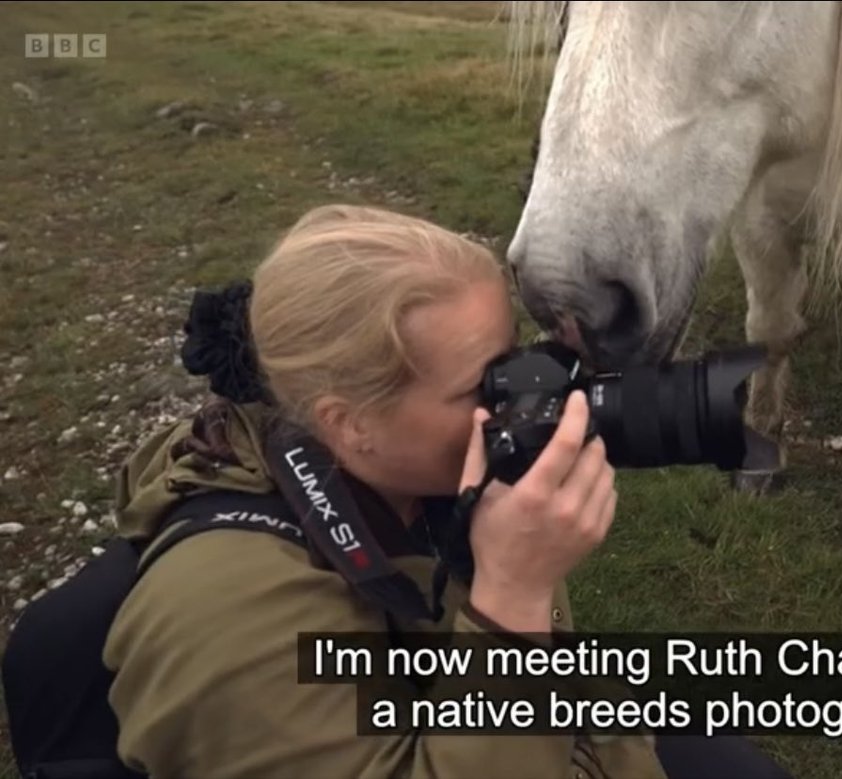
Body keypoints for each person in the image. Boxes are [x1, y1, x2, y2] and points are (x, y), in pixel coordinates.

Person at [95, 204, 793, 778]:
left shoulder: (408, 472)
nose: (528, 399)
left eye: (517, 361)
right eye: (483, 385)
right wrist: (512, 599)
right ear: (350, 421)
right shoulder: (224, 625)